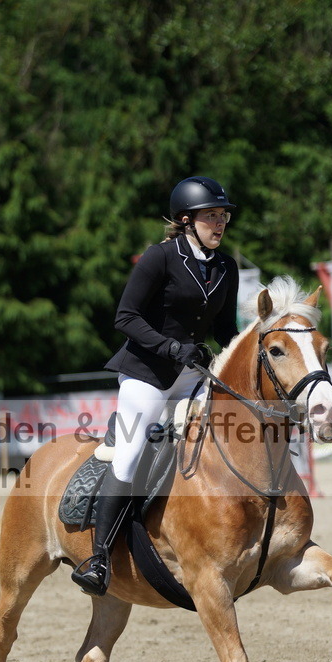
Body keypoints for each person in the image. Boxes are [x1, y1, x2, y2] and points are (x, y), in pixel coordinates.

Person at [72, 175, 240, 596]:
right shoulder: (160, 257)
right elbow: (125, 318)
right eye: (210, 216)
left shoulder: (225, 267)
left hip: (192, 377)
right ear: (186, 220)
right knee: (129, 459)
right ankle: (98, 559)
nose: (219, 223)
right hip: (147, 374)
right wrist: (171, 348)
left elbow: (224, 330)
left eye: (223, 216)